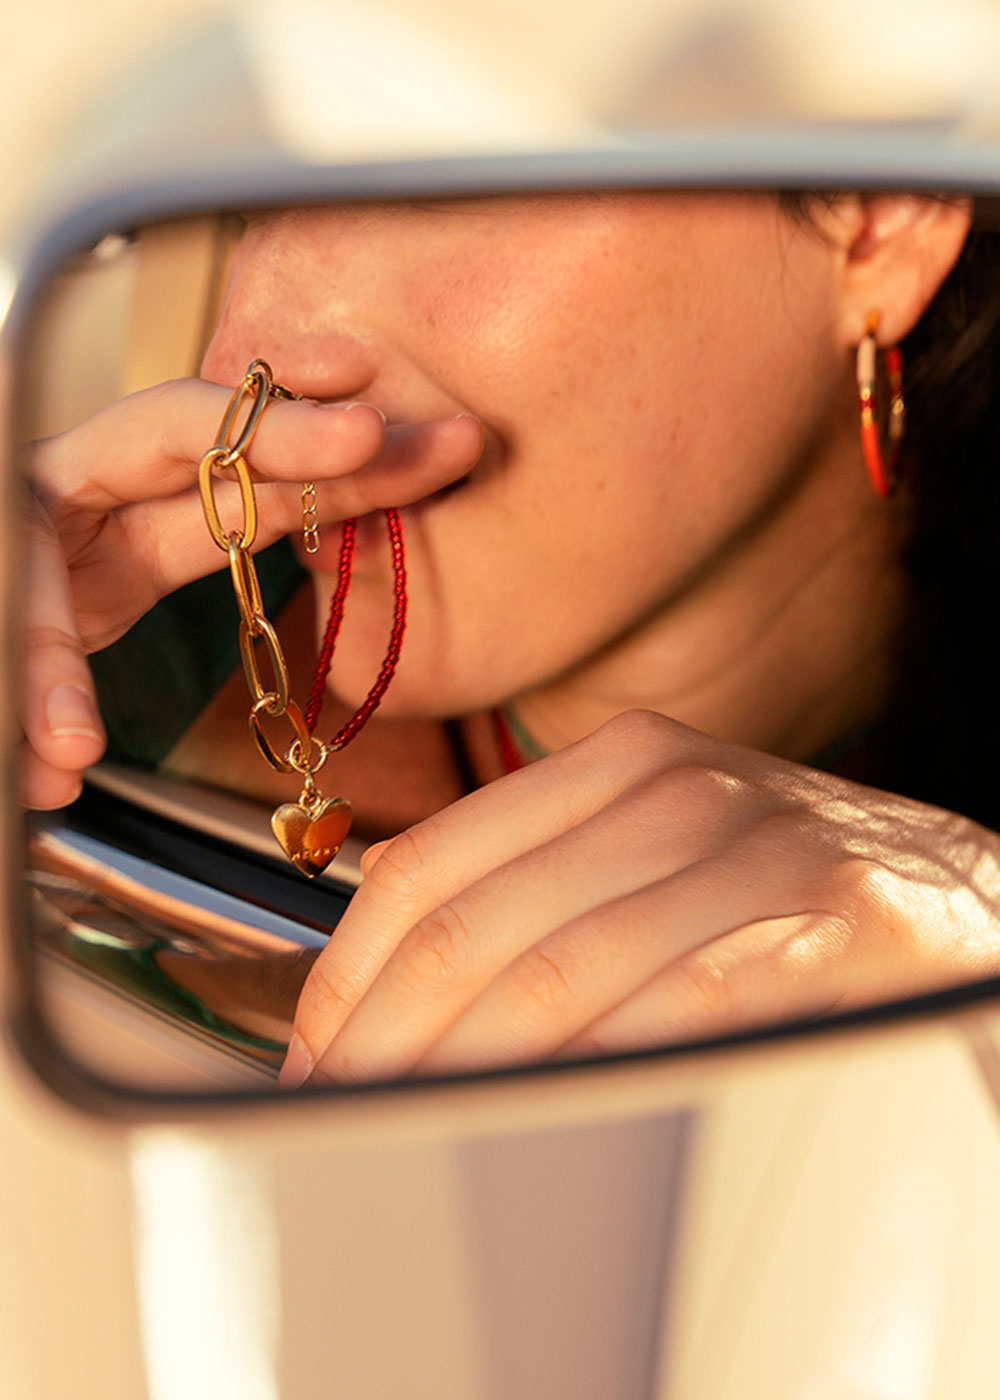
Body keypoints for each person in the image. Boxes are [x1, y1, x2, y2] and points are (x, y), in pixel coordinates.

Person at [19, 190, 1000, 1089]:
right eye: (250, 189)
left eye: (451, 178)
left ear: (877, 224)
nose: (245, 353)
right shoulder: (94, 666)